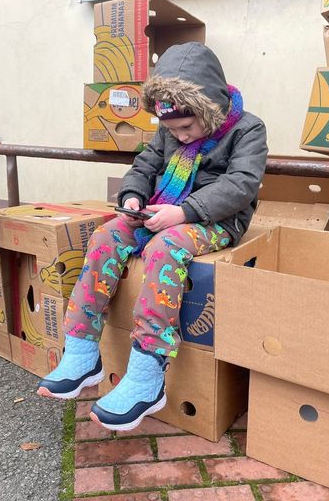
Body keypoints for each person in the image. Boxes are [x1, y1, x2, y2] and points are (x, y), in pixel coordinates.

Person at [38, 42, 268, 431]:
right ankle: (81, 350)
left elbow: (242, 184)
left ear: (209, 108)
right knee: (107, 236)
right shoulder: (169, 131)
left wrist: (184, 212)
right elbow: (144, 165)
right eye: (170, 129)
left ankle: (147, 375)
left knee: (166, 247)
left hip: (216, 219)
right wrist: (132, 196)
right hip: (163, 209)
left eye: (186, 127)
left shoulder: (248, 128)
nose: (178, 136)